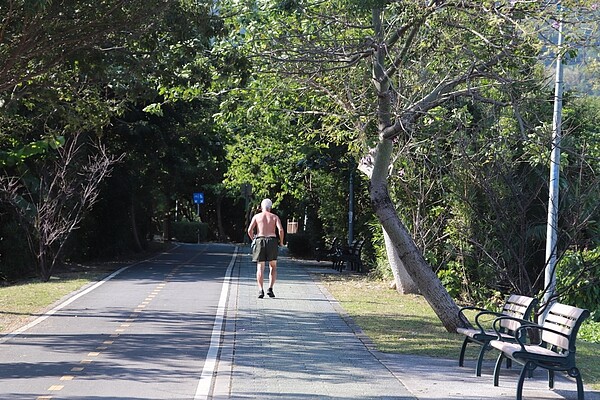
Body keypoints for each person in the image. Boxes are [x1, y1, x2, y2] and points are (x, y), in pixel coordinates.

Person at [247, 198, 284, 298]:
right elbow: (280, 230)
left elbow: (249, 230)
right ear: (270, 207)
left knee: (260, 267)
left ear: (261, 207)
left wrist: (254, 238)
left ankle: (260, 290)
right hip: (272, 240)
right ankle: (270, 289)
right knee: (273, 266)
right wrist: (281, 242)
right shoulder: (274, 217)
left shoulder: (257, 216)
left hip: (260, 240)